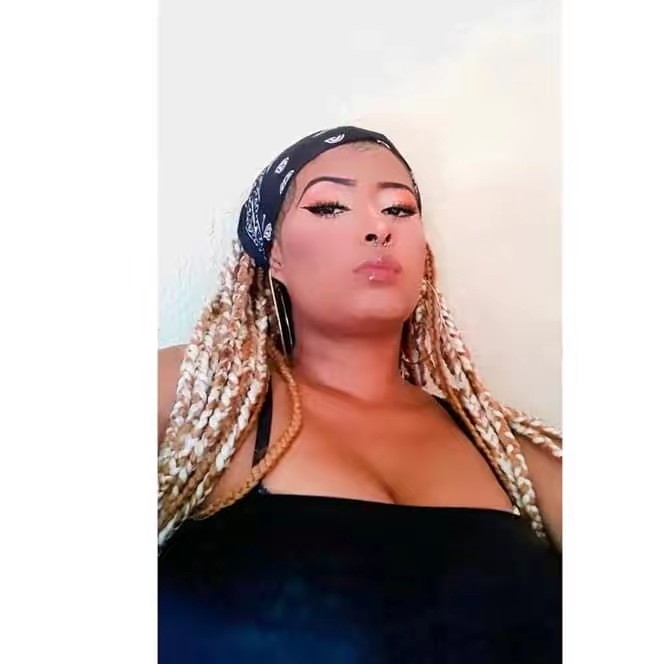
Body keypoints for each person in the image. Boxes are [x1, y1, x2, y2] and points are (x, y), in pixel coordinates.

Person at [158, 126, 562, 663]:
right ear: (273, 255)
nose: (377, 227)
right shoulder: (200, 395)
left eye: (399, 209)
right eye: (329, 207)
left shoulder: (507, 451)